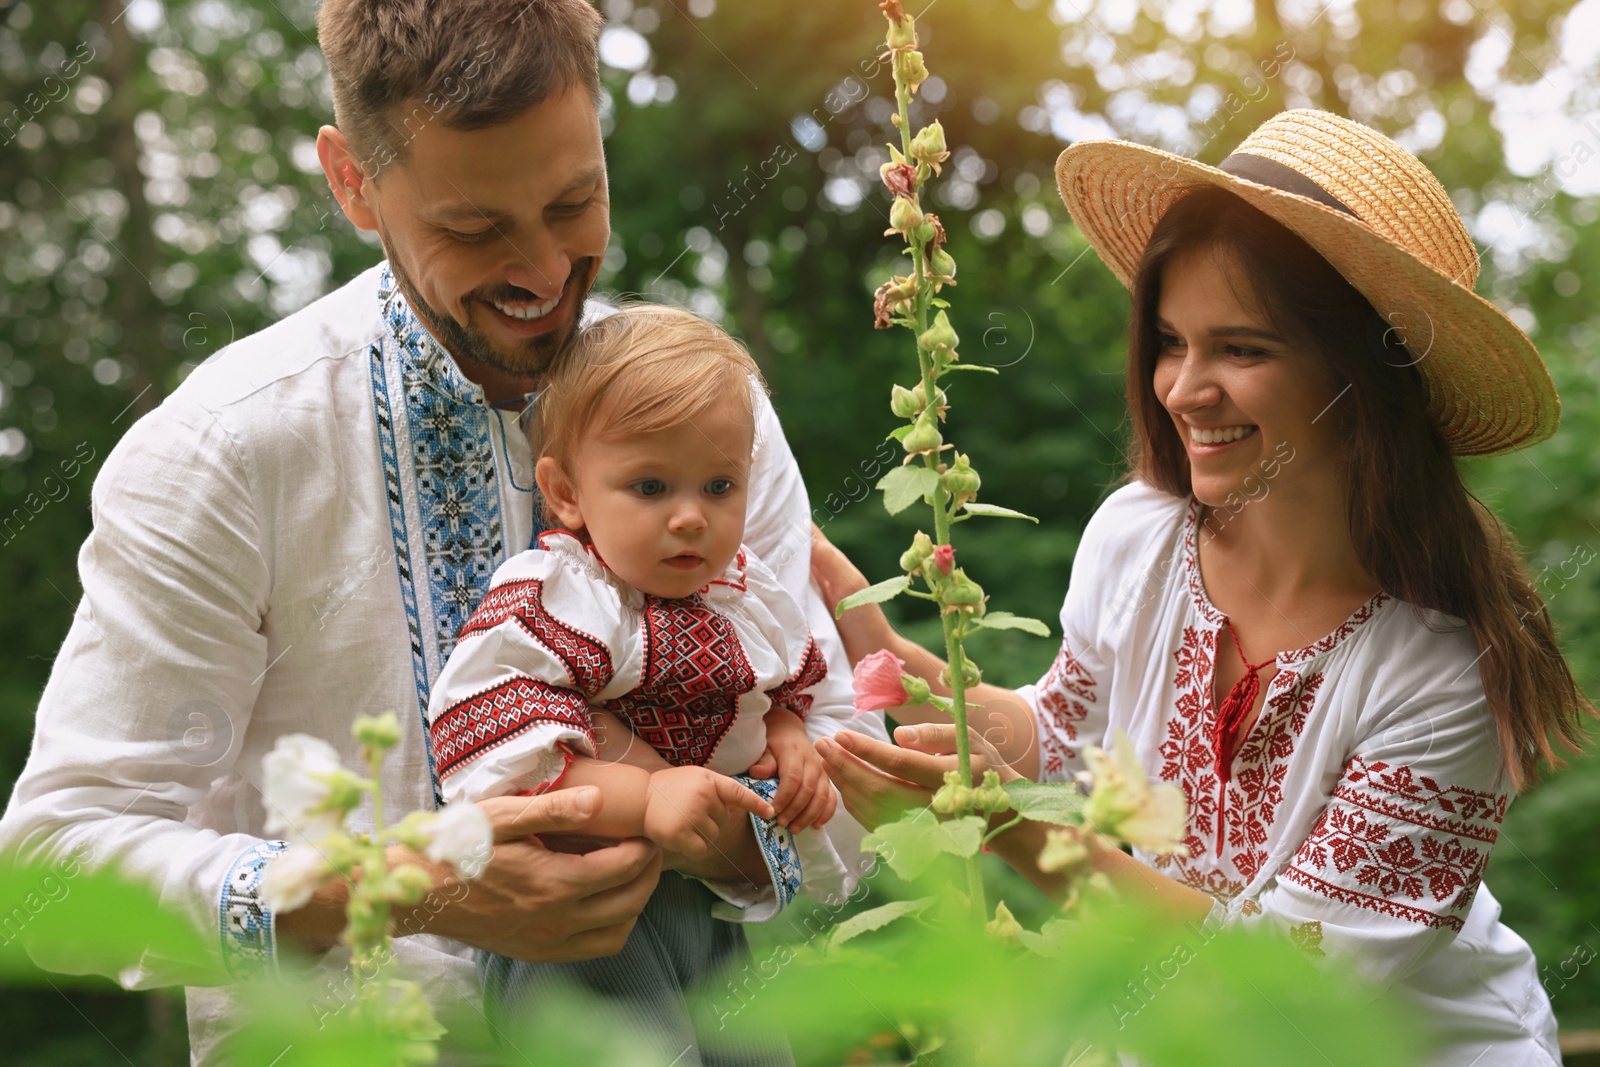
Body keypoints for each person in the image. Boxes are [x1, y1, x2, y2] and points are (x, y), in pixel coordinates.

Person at [0, 2, 880, 1061]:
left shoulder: (697, 410)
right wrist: (395, 888)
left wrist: (734, 825)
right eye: (475, 229)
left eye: (575, 202)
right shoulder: (222, 451)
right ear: (352, 185)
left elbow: (838, 746)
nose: (547, 272)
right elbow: (46, 877)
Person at [812, 109, 1586, 1066]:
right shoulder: (1136, 537)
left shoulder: (1440, 666)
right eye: (1172, 341)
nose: (1182, 388)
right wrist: (903, 664)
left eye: (1243, 349)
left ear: (1361, 378)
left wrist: (1006, 824)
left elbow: (1287, 996)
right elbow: (1065, 737)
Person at [426, 304, 839, 1063]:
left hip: (701, 902)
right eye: (650, 486)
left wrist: (790, 744)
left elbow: (784, 690)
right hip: (579, 913)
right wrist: (646, 797)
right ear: (568, 493)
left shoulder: (743, 595)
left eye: (720, 485)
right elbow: (488, 736)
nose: (690, 518)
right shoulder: (562, 595)